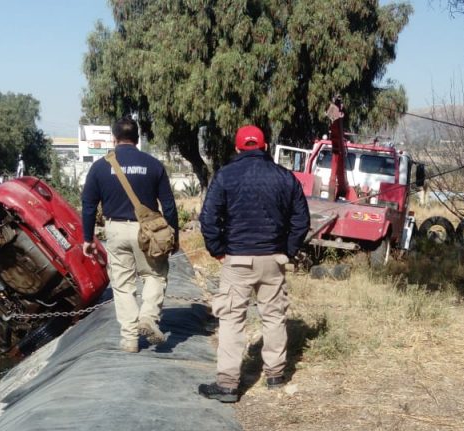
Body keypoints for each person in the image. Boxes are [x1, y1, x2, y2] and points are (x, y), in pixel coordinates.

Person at [197, 125, 310, 403]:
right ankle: (274, 375)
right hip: (273, 258)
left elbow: (209, 218)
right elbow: (301, 220)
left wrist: (218, 250)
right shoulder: (285, 177)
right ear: (265, 146)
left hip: (237, 259)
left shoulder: (225, 176)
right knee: (273, 316)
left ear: (237, 148)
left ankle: (227, 385)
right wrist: (288, 250)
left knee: (232, 318)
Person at [81, 115, 178, 353]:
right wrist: (174, 236)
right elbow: (169, 205)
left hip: (115, 230)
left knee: (122, 285)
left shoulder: (100, 167)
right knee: (154, 275)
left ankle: (129, 339)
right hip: (148, 231)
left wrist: (87, 238)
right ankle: (148, 317)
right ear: (137, 138)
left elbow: (88, 206)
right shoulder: (153, 164)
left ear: (114, 139)